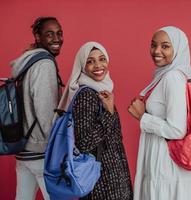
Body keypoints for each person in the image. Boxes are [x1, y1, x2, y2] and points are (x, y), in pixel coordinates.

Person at [128, 26, 191, 200]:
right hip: (162, 161)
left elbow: (177, 129)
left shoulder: (172, 77)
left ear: (178, 49)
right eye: (153, 45)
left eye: (165, 46)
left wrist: (143, 117)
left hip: (167, 163)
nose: (157, 51)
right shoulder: (163, 77)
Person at [57, 41, 133, 200]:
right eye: (90, 61)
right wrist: (109, 113)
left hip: (113, 177)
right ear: (82, 66)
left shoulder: (101, 92)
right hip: (102, 182)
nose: (98, 65)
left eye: (102, 59)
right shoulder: (87, 95)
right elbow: (84, 143)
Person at [11, 16, 63, 200]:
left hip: (23, 150)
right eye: (49, 34)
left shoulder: (27, 63)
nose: (56, 39)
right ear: (38, 37)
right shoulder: (44, 64)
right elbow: (46, 113)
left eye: (59, 33)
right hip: (41, 153)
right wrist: (57, 151)